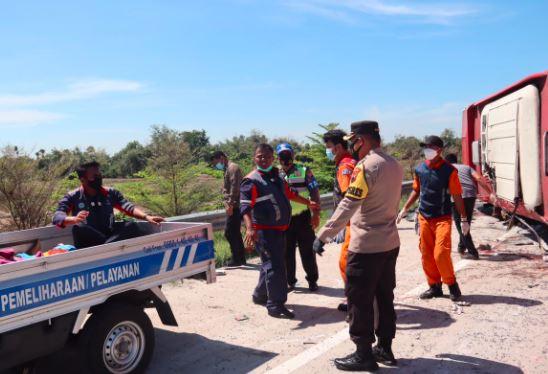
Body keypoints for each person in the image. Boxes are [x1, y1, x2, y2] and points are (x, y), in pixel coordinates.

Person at [313, 121, 403, 371]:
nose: (352, 147)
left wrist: (323, 235)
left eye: (353, 142)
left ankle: (363, 353)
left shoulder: (366, 167)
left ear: (360, 141)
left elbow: (348, 204)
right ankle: (385, 348)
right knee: (385, 298)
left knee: (359, 300)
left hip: (366, 246)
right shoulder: (394, 164)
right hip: (389, 242)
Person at [240, 144, 319, 319]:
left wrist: (308, 203)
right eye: (260, 156)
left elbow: (290, 193)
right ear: (255, 158)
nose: (263, 159)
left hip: (279, 229)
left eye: (267, 157)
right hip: (264, 231)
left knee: (269, 264)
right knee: (276, 266)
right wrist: (249, 228)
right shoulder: (251, 180)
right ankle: (275, 305)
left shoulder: (276, 176)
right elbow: (245, 208)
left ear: (272, 158)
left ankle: (260, 295)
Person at [398, 136, 469, 302]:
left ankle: (452, 285)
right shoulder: (420, 169)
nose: (427, 150)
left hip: (442, 218)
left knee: (441, 253)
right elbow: (416, 191)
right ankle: (434, 286)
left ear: (439, 150)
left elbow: (457, 196)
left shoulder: (449, 170)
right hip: (424, 216)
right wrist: (404, 209)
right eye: (425, 147)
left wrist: (464, 219)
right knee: (426, 254)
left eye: (430, 147)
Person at [53, 161, 164, 249]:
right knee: (79, 228)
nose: (98, 178)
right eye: (94, 176)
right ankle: (108, 248)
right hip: (89, 244)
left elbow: (127, 207)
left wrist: (146, 217)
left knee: (131, 225)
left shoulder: (110, 193)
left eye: (99, 174)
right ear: (82, 180)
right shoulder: (73, 196)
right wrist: (74, 219)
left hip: (111, 236)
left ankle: (106, 248)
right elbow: (57, 217)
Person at [276, 143, 321, 291]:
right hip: (285, 219)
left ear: (293, 155)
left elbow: (314, 192)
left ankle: (312, 280)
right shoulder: (276, 174)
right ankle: (290, 281)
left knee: (307, 250)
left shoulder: (304, 171)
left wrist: (315, 214)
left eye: (288, 155)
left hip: (303, 217)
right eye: (282, 156)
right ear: (278, 158)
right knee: (286, 252)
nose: (285, 158)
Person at [323, 129, 357, 312]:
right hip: (355, 221)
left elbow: (347, 199)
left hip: (353, 222)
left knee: (346, 262)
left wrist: (333, 227)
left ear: (337, 147)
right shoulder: (352, 161)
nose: (327, 151)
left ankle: (354, 299)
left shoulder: (345, 167)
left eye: (328, 147)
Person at [445, 153, 492, 259]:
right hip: (471, 195)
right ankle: (461, 247)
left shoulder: (446, 169)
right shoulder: (466, 167)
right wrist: (490, 192)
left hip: (457, 197)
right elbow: (479, 178)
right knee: (465, 222)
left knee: (460, 225)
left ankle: (472, 252)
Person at [211, 151, 246, 267]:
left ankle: (236, 259)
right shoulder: (227, 168)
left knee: (229, 232)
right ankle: (241, 258)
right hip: (233, 205)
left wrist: (230, 204)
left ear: (221, 158)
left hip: (235, 206)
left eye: (216, 162)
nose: (216, 165)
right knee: (235, 232)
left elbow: (235, 187)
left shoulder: (233, 168)